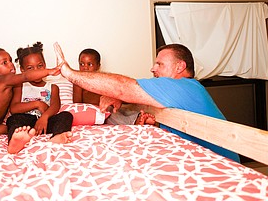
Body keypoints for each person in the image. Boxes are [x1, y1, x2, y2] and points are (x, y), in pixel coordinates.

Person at [53, 42, 240, 163]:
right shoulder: (175, 91)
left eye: (160, 64)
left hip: (222, 163)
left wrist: (69, 73)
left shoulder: (185, 86)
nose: (153, 68)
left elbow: (123, 87)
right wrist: (122, 99)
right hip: (197, 158)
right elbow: (132, 96)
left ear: (180, 66)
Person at [7, 42, 73, 154]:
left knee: (66, 116)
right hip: (26, 124)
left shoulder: (53, 87)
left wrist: (44, 118)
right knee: (13, 120)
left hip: (46, 123)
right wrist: (37, 104)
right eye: (30, 68)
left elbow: (55, 106)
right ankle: (16, 141)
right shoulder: (20, 86)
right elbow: (14, 108)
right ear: (22, 70)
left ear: (45, 65)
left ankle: (57, 137)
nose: (37, 70)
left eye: (40, 66)